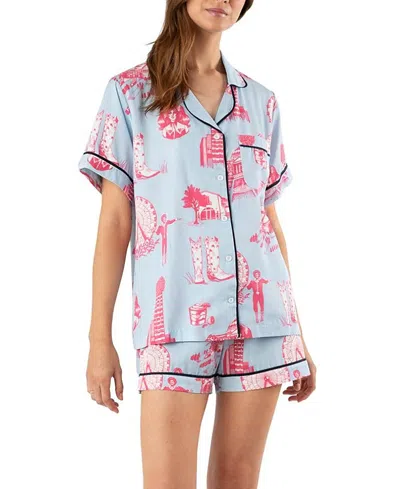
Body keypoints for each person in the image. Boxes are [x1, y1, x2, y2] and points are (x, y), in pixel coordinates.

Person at [78, 1, 317, 487]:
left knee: (238, 480)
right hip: (173, 326)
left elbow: (267, 220)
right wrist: (99, 339)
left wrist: (298, 333)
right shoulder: (129, 93)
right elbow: (115, 223)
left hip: (264, 326)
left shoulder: (261, 102)